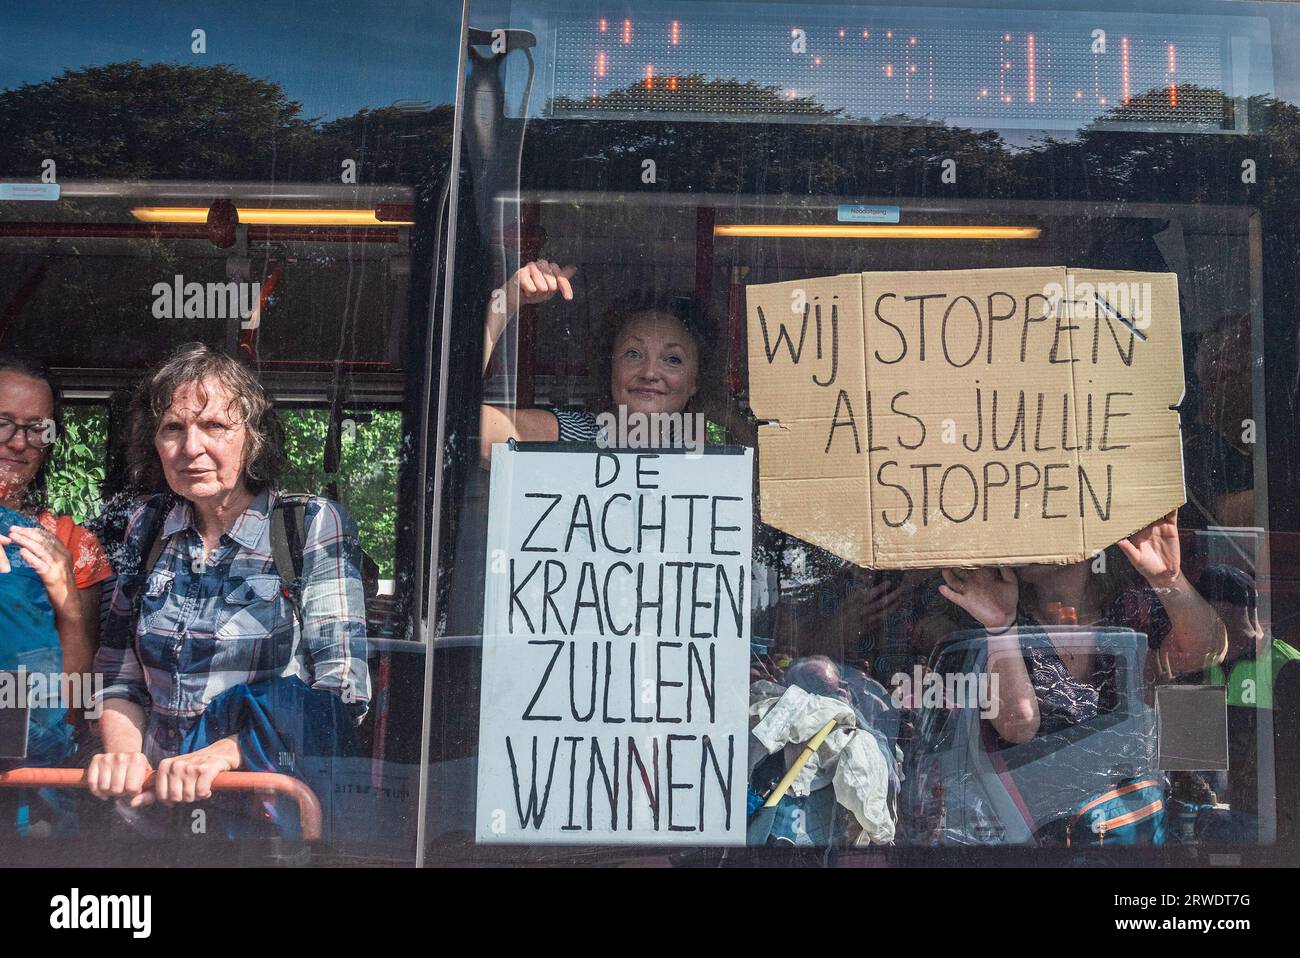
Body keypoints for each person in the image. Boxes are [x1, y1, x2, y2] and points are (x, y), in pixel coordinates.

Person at [86, 344, 370, 822]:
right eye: (173, 428)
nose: (191, 447)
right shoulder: (148, 525)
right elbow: (119, 676)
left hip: (257, 807)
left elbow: (344, 691)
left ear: (253, 439)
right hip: (149, 812)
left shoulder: (308, 525)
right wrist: (124, 756)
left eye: (214, 426)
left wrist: (221, 755)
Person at [934, 510, 1226, 745]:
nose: (1025, 533)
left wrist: (1169, 580)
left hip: (1134, 805)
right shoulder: (1002, 615)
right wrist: (1000, 625)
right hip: (1043, 810)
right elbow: (1018, 727)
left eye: (1044, 517)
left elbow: (1205, 652)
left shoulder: (1129, 605)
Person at [479, 260, 713, 465]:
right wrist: (507, 300)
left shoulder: (710, 451)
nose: (650, 372)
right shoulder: (570, 434)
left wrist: (732, 421)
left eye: (672, 359)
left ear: (696, 380)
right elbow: (452, 424)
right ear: (609, 366)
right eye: (633, 354)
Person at [0, 355, 113, 767]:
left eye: (36, 429)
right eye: (2, 422)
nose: (17, 442)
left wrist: (64, 596)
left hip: (31, 763)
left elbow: (80, 696)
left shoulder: (72, 543)